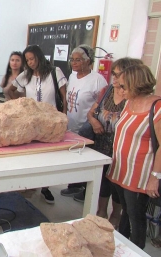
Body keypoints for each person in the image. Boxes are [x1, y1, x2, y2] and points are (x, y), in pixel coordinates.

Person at [84, 58, 143, 228]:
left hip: (121, 148)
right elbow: (91, 112)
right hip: (101, 144)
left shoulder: (133, 97)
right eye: (114, 74)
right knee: (102, 181)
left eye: (118, 75)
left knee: (117, 185)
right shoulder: (106, 90)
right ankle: (101, 212)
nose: (114, 79)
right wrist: (94, 122)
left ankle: (115, 216)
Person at [107, 64, 161, 249]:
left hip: (140, 175)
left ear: (136, 85)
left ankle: (136, 250)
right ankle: (122, 248)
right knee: (125, 213)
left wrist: (155, 178)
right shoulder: (129, 102)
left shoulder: (157, 106)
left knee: (135, 217)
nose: (120, 90)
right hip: (122, 170)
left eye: (123, 86)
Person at [10, 45, 67, 204]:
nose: (30, 62)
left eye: (32, 59)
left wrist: (64, 118)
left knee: (49, 158)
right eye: (27, 60)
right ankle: (28, 185)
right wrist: (19, 105)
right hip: (31, 123)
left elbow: (64, 97)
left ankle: (45, 187)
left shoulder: (55, 72)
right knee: (31, 156)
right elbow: (10, 90)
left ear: (39, 57)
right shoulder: (26, 75)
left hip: (51, 124)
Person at [60, 44, 107, 198]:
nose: (74, 63)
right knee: (73, 157)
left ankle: (86, 190)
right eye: (72, 60)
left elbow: (104, 104)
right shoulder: (72, 76)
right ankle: (74, 185)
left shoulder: (97, 80)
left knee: (85, 159)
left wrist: (92, 120)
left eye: (78, 60)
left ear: (88, 61)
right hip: (72, 124)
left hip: (87, 128)